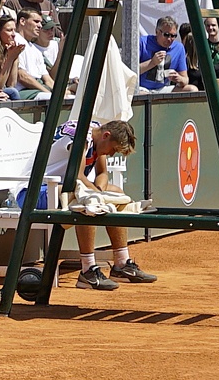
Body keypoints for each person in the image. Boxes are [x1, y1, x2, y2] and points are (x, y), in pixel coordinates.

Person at [44, 119, 155, 290]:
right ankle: (87, 270)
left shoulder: (97, 135)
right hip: (39, 191)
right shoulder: (80, 137)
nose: (111, 155)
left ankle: (121, 264)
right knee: (89, 203)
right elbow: (78, 177)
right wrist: (98, 196)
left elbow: (102, 174)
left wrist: (101, 192)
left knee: (116, 192)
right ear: (106, 135)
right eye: (113, 149)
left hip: (62, 191)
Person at [137, 16, 197, 93]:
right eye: (166, 35)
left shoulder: (178, 48)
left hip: (163, 88)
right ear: (157, 32)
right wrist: (152, 62)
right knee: (142, 95)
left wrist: (179, 78)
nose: (169, 39)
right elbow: (132, 71)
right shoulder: (143, 42)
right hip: (141, 87)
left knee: (192, 90)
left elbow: (185, 79)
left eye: (173, 36)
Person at [13, 9, 57, 99]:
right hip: (23, 90)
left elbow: (47, 79)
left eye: (40, 23)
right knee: (51, 98)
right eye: (36, 21)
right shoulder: (16, 41)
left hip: (39, 88)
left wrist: (60, 93)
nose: (40, 26)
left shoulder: (35, 50)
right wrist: (49, 93)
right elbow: (22, 76)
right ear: (22, 21)